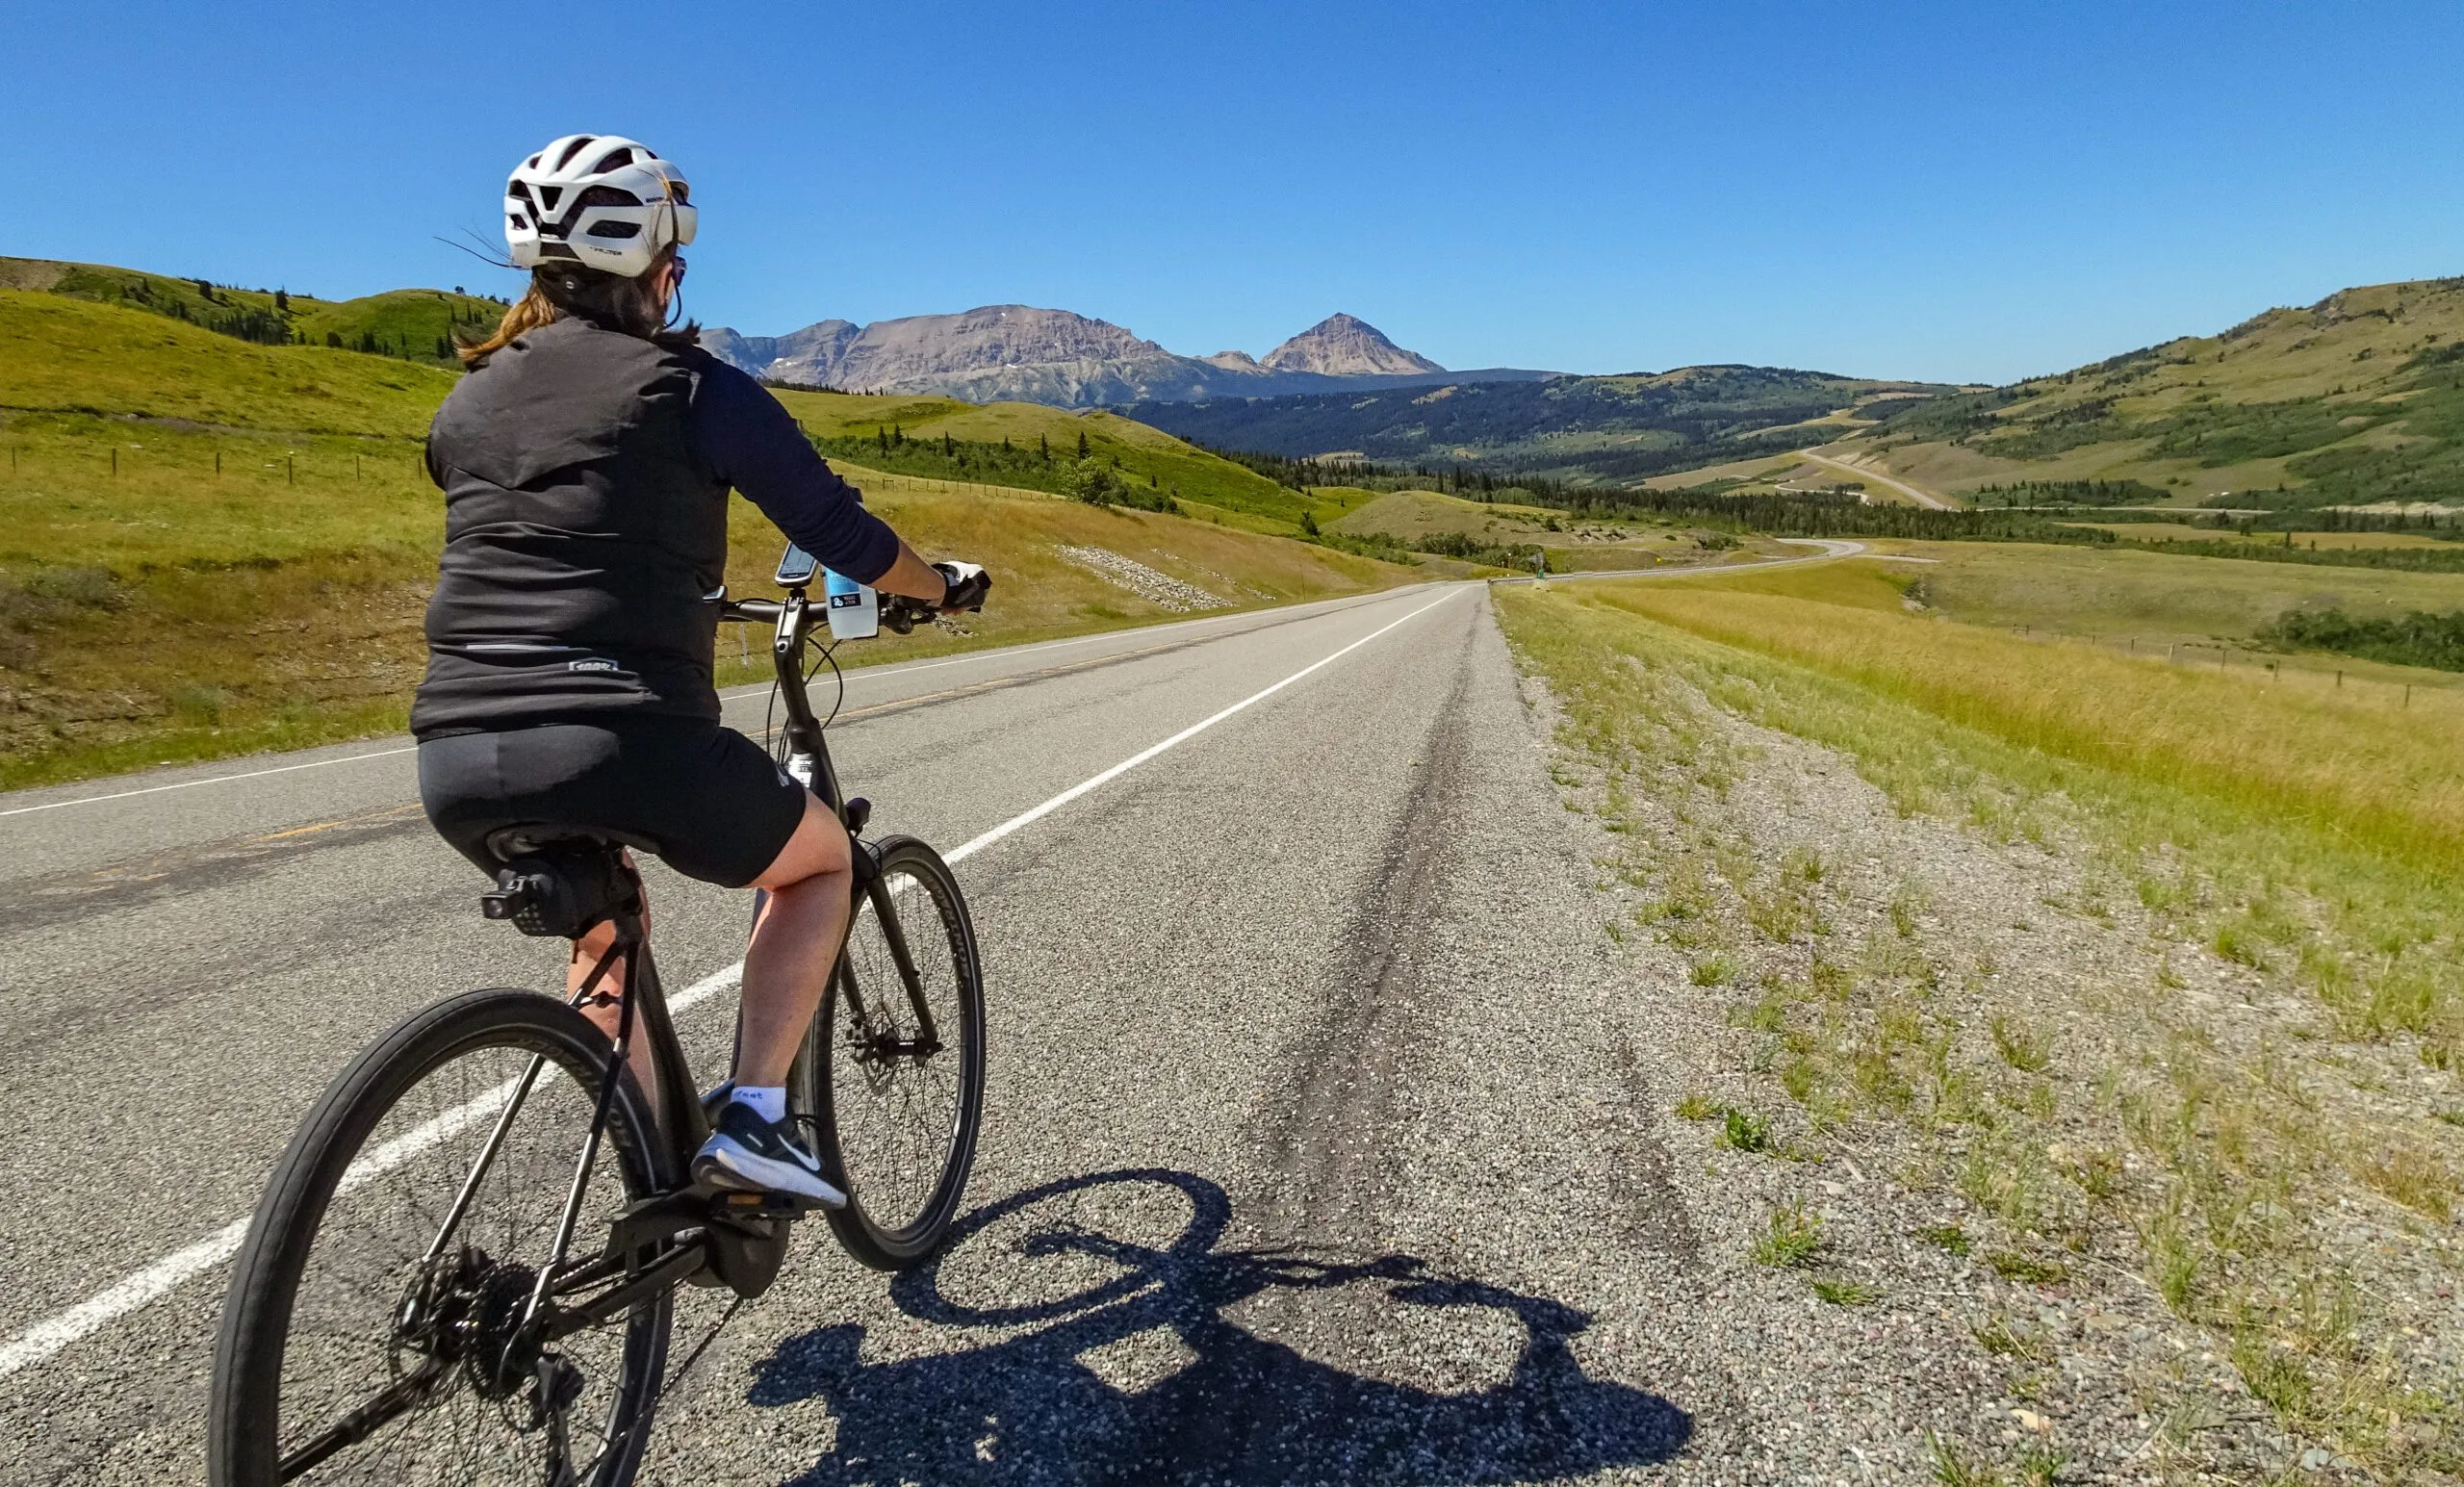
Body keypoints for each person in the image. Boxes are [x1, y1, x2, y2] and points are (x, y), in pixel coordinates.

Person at [411, 134, 988, 1206]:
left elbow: (553, 527)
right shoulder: (692, 390)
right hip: (621, 732)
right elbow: (838, 530)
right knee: (821, 864)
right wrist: (932, 584)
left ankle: (651, 1178)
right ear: (660, 269)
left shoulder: (467, 401)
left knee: (598, 922)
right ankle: (758, 1121)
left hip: (454, 749)